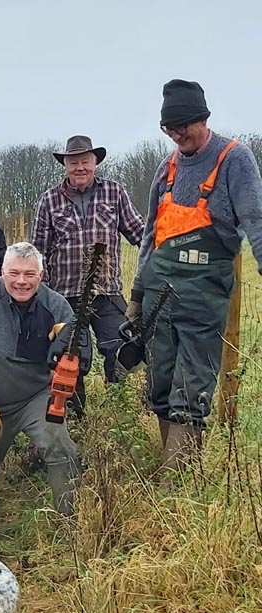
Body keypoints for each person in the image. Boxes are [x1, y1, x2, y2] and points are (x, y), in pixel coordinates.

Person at [126, 79, 262, 472]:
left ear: (203, 118)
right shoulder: (165, 168)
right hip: (159, 294)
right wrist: (137, 296)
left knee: (191, 388)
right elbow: (150, 236)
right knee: (160, 384)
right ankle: (173, 467)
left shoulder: (234, 159)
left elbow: (255, 220)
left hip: (204, 294)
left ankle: (177, 483)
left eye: (182, 126)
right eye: (168, 128)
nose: (176, 135)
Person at [0, 242, 79, 523]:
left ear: (41, 275)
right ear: (2, 272)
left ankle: (69, 519)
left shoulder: (57, 306)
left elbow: (81, 358)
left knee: (61, 447)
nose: (21, 281)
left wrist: (69, 345)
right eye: (14, 273)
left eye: (29, 274)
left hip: (36, 396)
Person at [31, 135, 144, 403]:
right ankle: (74, 413)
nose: (80, 168)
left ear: (95, 163)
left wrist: (162, 259)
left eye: (85, 161)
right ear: (65, 166)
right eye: (73, 163)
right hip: (65, 294)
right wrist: (41, 295)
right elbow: (38, 251)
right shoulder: (49, 200)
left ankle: (117, 405)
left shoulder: (114, 192)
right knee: (69, 357)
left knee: (121, 348)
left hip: (106, 291)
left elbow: (140, 233)